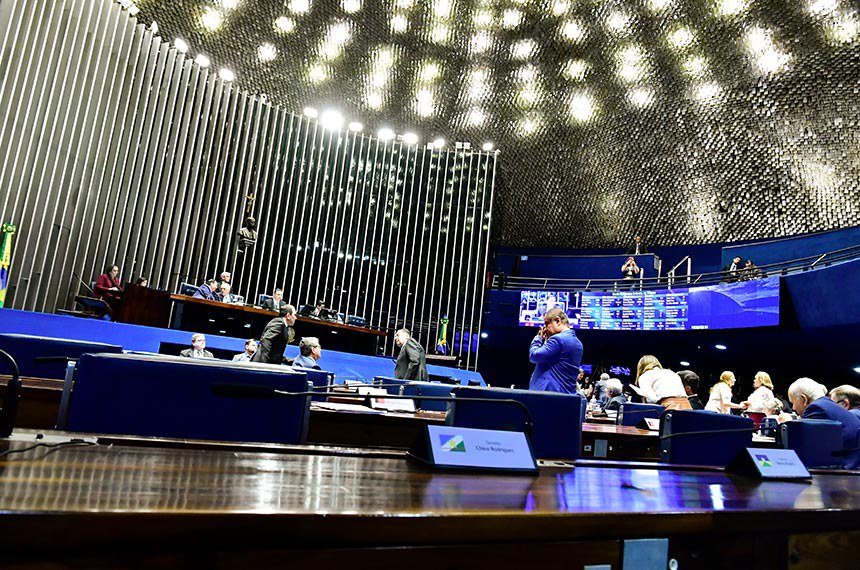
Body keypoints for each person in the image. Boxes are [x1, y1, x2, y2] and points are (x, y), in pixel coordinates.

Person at [779, 378, 860, 470]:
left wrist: (786, 423)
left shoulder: (816, 408)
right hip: (853, 465)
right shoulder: (827, 405)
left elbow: (799, 444)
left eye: (793, 403)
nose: (793, 408)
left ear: (804, 399)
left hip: (845, 470)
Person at [528, 308, 583, 394]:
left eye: (547, 324)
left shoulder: (558, 339)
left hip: (548, 397)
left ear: (558, 321)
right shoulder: (578, 343)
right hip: (565, 395)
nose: (545, 329)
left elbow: (534, 356)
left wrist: (538, 338)